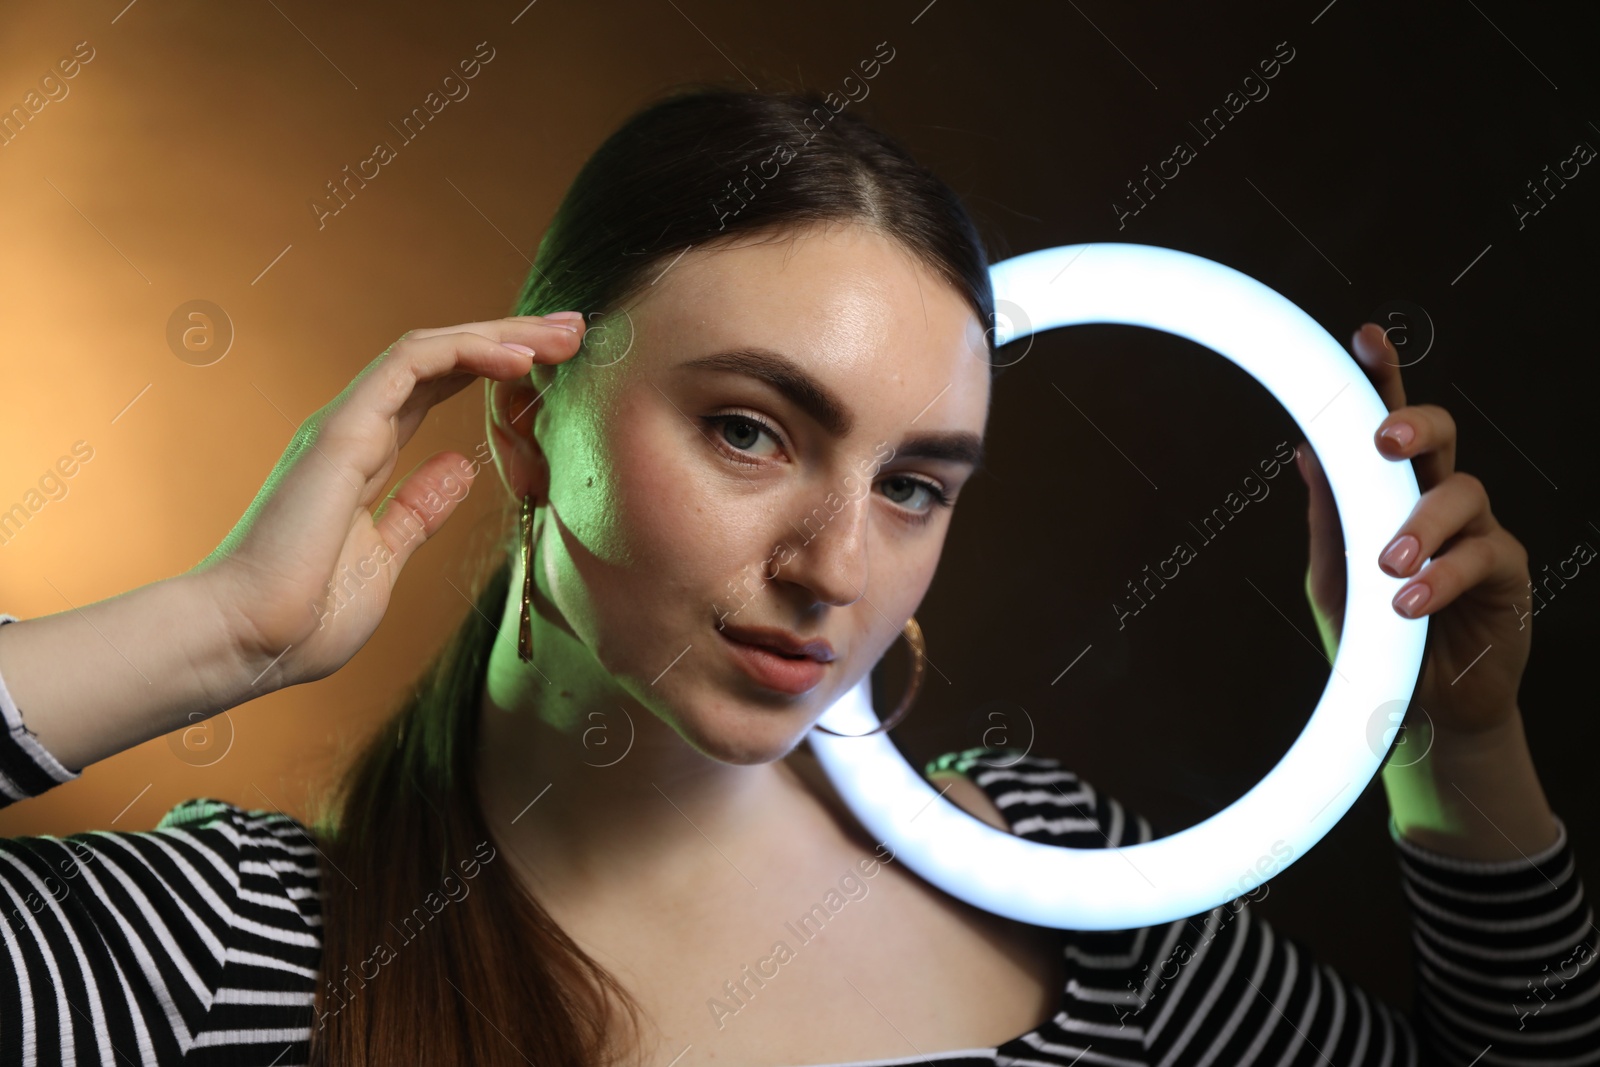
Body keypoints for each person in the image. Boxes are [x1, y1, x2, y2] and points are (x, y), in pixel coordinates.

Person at [0, 85, 1594, 1067]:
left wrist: (1454, 759)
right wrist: (214, 630)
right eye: (753, 432)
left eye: (915, 485)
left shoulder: (1071, 891)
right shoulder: (231, 954)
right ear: (529, 426)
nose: (839, 568)